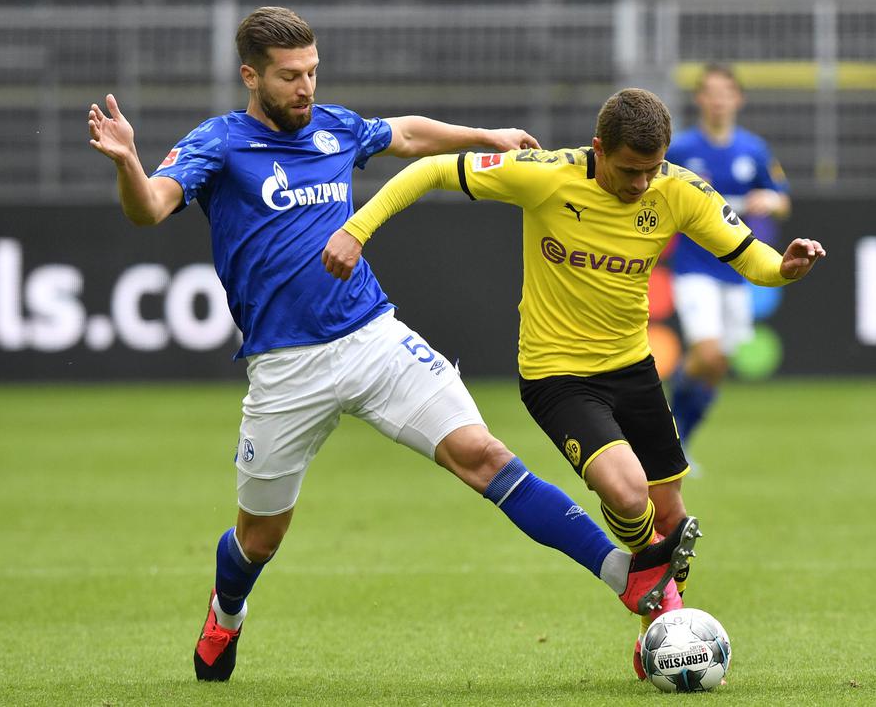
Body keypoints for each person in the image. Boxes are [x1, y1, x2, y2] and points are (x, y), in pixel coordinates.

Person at [87, 6, 698, 683]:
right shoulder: (220, 142)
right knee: (259, 539)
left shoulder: (334, 126)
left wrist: (484, 136)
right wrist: (128, 163)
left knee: (483, 455)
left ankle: (630, 577)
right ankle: (226, 610)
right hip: (285, 365)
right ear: (250, 77)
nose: (305, 87)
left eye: (312, 71)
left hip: (373, 337)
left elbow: (405, 134)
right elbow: (149, 207)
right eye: (289, 76)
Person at [322, 87, 824, 678]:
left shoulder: (678, 190)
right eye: (630, 170)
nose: (642, 183)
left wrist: (785, 267)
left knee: (671, 517)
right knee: (628, 493)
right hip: (557, 375)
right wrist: (357, 229)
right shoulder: (546, 176)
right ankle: (664, 602)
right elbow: (431, 169)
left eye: (652, 169)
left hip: (633, 369)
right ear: (598, 149)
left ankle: (655, 631)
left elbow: (751, 258)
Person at [666, 63, 791, 448]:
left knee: (718, 363)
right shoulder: (682, 149)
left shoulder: (753, 150)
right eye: (711, 93)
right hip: (693, 269)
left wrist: (768, 200)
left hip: (735, 272)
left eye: (725, 93)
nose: (718, 101)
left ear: (738, 99)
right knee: (706, 354)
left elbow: (782, 200)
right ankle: (666, 437)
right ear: (699, 99)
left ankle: (681, 440)